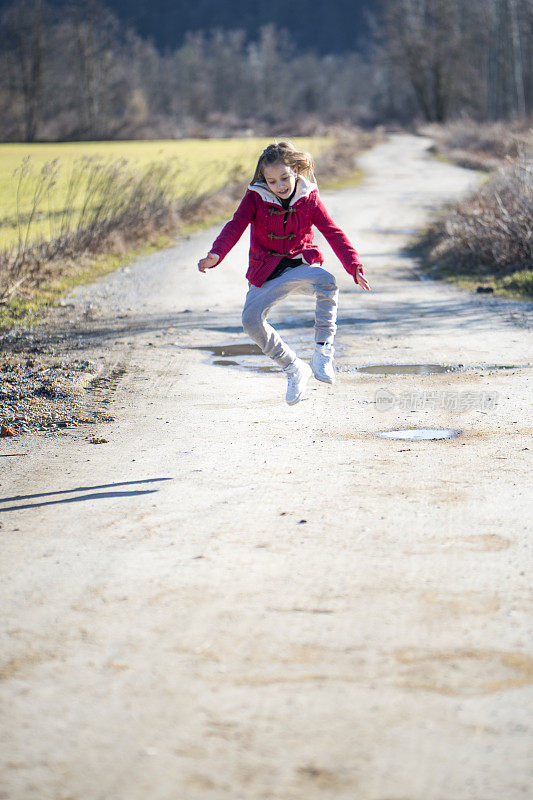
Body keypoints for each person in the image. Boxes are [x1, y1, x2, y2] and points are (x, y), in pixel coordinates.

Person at [198, 140, 370, 405]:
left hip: (300, 265)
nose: (279, 185)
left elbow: (332, 231)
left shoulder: (308, 197)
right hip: (265, 272)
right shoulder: (255, 197)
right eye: (272, 180)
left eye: (284, 177)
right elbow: (235, 226)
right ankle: (293, 367)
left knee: (327, 282)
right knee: (250, 321)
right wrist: (216, 254)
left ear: (296, 171)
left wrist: (353, 265)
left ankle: (322, 351)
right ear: (264, 180)